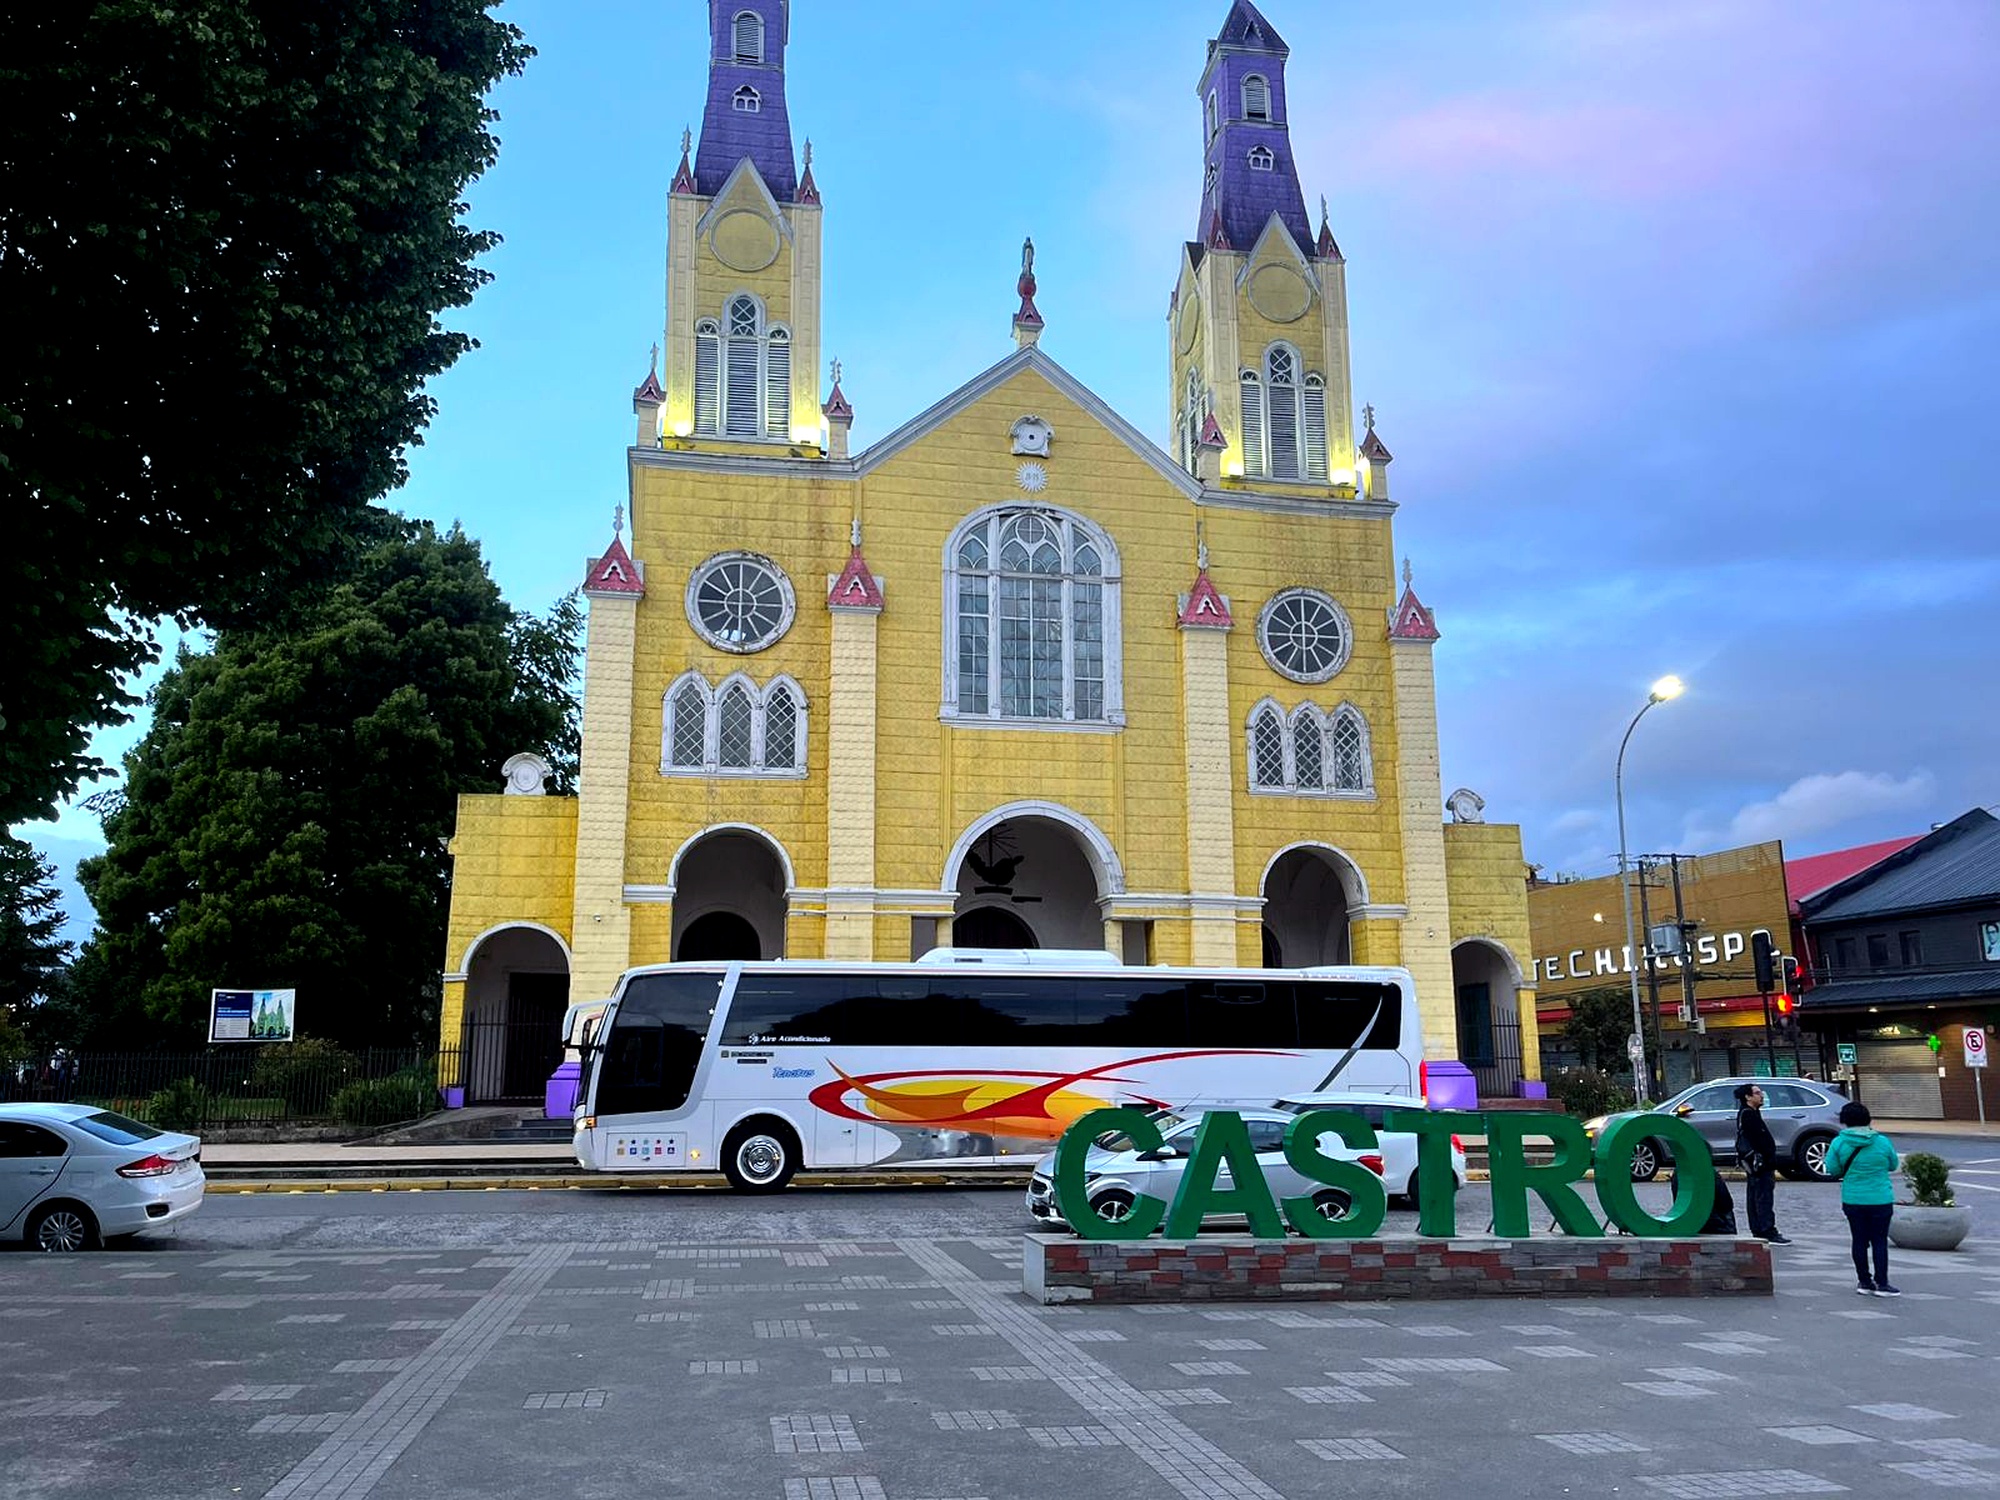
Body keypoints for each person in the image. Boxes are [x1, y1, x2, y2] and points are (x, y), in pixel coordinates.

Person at [1825, 1101, 1901, 1297]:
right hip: (1880, 1198)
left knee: (1859, 1240)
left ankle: (1864, 1281)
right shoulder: (1882, 1141)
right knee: (1879, 1241)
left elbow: (1832, 1169)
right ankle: (1882, 1283)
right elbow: (1893, 1164)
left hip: (1853, 1198)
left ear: (1845, 1120)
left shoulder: (1838, 1142)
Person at [1734, 1082, 1790, 1245]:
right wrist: (1767, 1157)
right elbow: (1758, 1139)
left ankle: (1759, 1228)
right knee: (1762, 1196)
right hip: (1760, 1163)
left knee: (1756, 1195)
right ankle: (1767, 1230)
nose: (1762, 1095)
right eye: (1757, 1093)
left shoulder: (1752, 1112)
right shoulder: (1748, 1115)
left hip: (1758, 1162)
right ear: (1748, 1097)